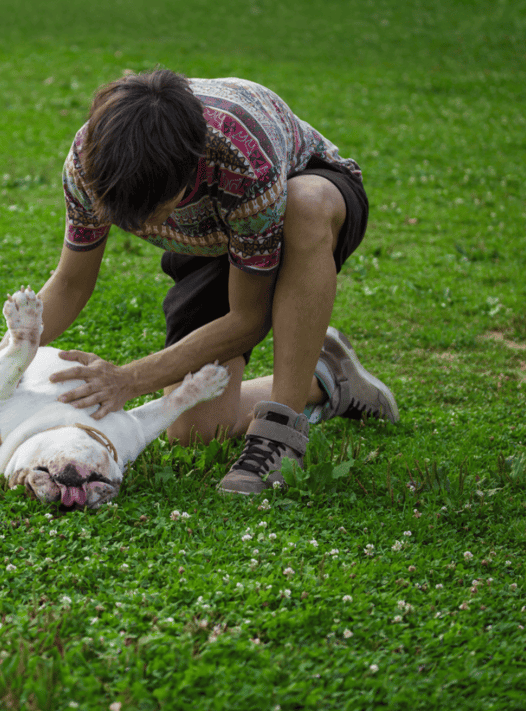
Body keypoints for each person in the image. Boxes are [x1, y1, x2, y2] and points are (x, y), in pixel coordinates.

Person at [31, 68, 398, 495]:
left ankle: (280, 432)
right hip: (213, 238)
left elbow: (248, 317)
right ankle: (328, 374)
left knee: (306, 205)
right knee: (197, 430)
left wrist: (130, 379)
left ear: (191, 172)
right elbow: (71, 283)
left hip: (303, 198)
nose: (143, 225)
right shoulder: (92, 161)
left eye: (154, 211)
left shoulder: (242, 158)